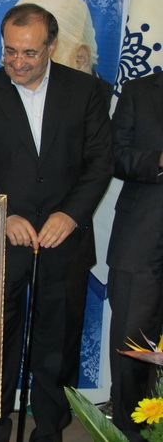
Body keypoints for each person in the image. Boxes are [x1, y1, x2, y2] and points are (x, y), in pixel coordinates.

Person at [0, 3, 113, 441]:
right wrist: (5, 213)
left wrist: (71, 214)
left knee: (57, 343)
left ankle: (49, 430)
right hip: (4, 241)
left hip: (65, 239)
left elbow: (100, 162)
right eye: (10, 51)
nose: (18, 62)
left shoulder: (86, 91)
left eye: (29, 52)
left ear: (52, 46)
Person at [106, 71, 163, 442]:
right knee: (133, 342)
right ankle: (129, 431)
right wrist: (159, 159)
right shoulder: (140, 91)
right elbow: (112, 155)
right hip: (143, 238)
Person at [15, 0, 113, 107]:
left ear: (80, 59)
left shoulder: (115, 106)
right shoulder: (4, 96)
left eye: (32, 54)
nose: (19, 66)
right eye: (11, 53)